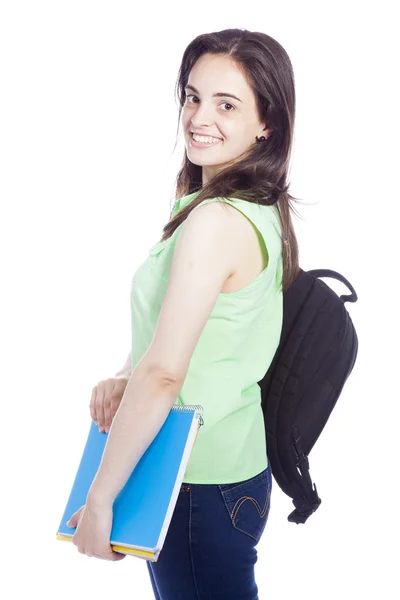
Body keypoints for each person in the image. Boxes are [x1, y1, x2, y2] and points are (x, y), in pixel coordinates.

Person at [67, 27, 302, 600]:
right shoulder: (249, 203)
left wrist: (99, 499)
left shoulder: (216, 222)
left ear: (265, 121)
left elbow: (167, 371)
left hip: (196, 483)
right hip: (224, 468)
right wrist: (126, 375)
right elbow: (190, 330)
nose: (200, 117)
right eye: (193, 97)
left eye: (227, 104)